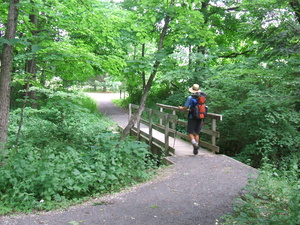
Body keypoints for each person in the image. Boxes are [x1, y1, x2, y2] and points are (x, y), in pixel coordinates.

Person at [178, 84, 205, 155]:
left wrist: (181, 108)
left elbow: (186, 108)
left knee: (190, 132)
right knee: (196, 133)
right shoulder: (202, 97)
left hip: (192, 117)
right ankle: (196, 147)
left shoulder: (190, 97)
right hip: (200, 116)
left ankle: (195, 145)